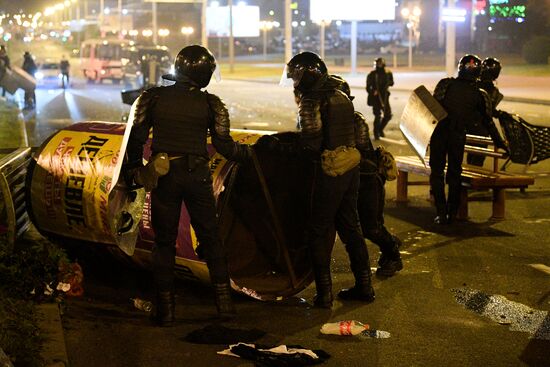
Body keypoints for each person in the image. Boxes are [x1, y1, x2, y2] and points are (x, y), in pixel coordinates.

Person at [126, 45, 251, 326]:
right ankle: (225, 306)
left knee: (164, 243)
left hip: (164, 175)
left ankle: (166, 311)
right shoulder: (212, 104)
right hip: (198, 177)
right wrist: (250, 154)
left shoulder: (153, 97)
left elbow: (135, 140)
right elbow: (224, 145)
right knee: (211, 237)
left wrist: (136, 170)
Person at [284, 52, 375, 309]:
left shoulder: (312, 100)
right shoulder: (341, 95)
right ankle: (365, 286)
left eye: (295, 77)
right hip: (350, 169)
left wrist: (284, 148)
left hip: (327, 172)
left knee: (318, 230)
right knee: (351, 228)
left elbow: (310, 144)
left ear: (305, 75)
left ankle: (324, 294)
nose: (294, 82)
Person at [335, 78, 403, 277]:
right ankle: (388, 242)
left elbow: (353, 152)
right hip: (353, 181)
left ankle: (393, 254)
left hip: (367, 181)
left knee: (371, 228)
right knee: (363, 227)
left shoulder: (355, 121)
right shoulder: (335, 120)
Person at [430, 54, 507, 224]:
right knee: (455, 174)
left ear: (460, 68)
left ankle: (441, 213)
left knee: (437, 173)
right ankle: (452, 212)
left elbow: (432, 110)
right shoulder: (480, 95)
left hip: (440, 134)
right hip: (457, 135)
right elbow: (488, 122)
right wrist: (501, 143)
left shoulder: (445, 84)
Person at [466, 57, 504, 166]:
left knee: (471, 155)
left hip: (467, 127)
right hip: (481, 128)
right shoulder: (492, 90)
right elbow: (487, 110)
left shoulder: (473, 84)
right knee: (478, 158)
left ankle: (468, 176)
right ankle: (472, 179)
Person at [366, 57, 394, 140]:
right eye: (378, 64)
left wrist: (387, 83)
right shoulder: (372, 74)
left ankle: (380, 129)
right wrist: (373, 91)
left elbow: (392, 83)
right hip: (376, 98)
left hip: (385, 97)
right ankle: (376, 133)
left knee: (388, 115)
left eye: (380, 64)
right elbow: (368, 87)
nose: (379, 65)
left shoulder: (388, 73)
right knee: (377, 116)